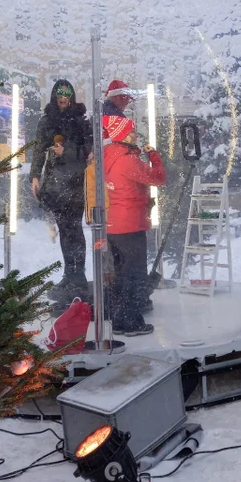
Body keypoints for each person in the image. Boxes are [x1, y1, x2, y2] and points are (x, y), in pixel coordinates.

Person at [102, 114, 166, 336]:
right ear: (122, 135)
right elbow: (157, 178)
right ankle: (131, 322)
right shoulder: (128, 161)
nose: (136, 134)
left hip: (114, 224)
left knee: (121, 274)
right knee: (134, 274)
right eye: (132, 131)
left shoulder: (108, 156)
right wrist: (153, 155)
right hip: (130, 224)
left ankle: (120, 320)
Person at [31, 80, 92, 304]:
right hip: (56, 184)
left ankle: (79, 275)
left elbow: (88, 149)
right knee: (66, 230)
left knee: (74, 230)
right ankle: (70, 273)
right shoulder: (47, 121)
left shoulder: (81, 121)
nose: (63, 98)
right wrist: (35, 176)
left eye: (67, 94)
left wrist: (66, 152)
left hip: (75, 183)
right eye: (59, 93)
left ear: (72, 96)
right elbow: (38, 149)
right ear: (54, 96)